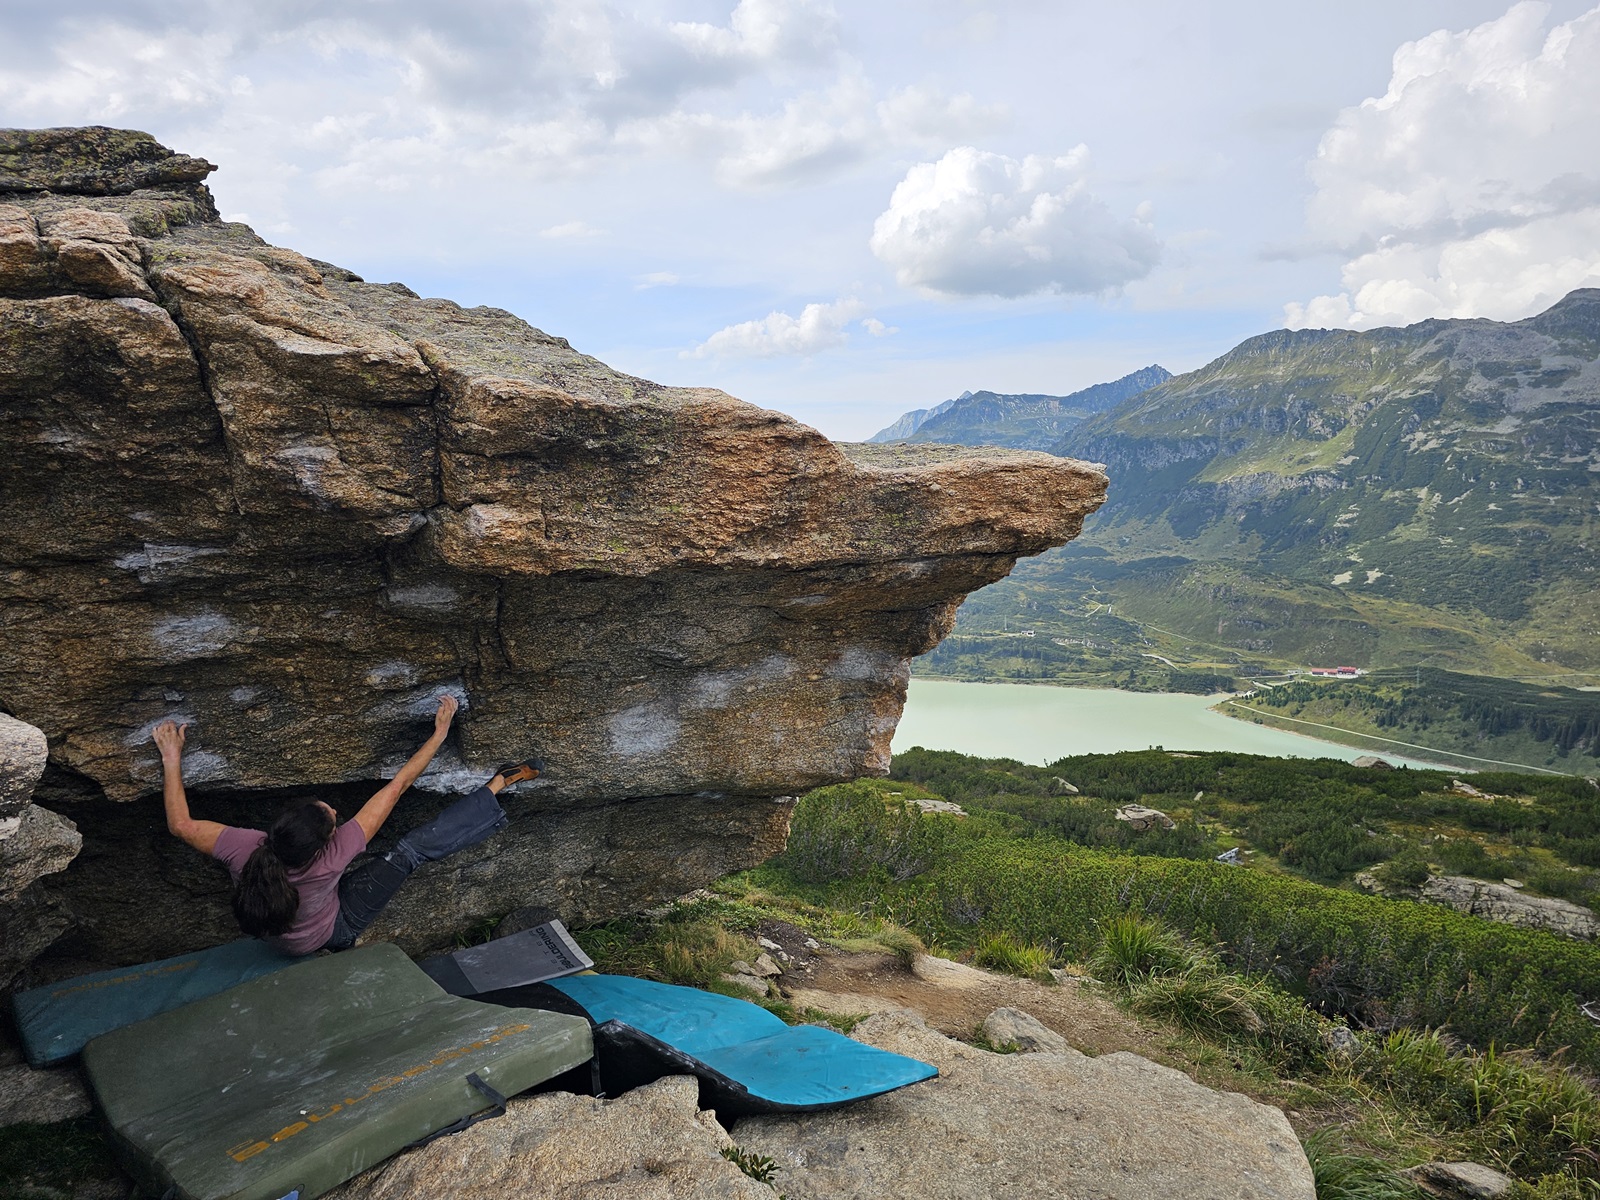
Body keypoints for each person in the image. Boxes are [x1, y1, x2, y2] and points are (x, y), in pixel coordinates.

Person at [153, 695, 541, 955]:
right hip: (333, 930)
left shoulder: (243, 847)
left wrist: (172, 758)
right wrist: (440, 732)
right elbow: (399, 784)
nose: (334, 810)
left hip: (279, 936)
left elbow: (180, 824)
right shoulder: (337, 853)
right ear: (325, 845)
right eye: (331, 818)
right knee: (408, 852)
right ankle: (495, 786)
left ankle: (495, 788)